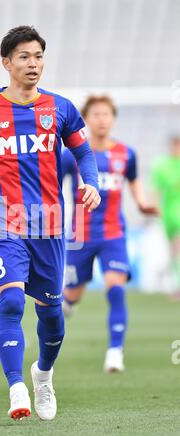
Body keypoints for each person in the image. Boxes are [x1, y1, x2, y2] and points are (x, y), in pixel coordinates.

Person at [0, 26, 100, 421]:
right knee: (10, 300)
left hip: (49, 225)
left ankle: (42, 374)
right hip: (2, 220)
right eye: (24, 57)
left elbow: (84, 152)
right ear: (6, 62)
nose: (33, 64)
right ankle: (16, 388)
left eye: (38, 56)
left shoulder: (59, 108)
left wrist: (90, 183)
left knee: (52, 316)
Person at [62, 95, 159, 372]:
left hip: (113, 234)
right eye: (96, 114)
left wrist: (142, 203)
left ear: (113, 118)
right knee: (71, 295)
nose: (102, 119)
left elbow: (134, 180)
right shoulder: (73, 155)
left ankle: (115, 351)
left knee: (115, 289)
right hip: (80, 237)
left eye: (106, 114)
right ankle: (69, 303)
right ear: (86, 120)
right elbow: (53, 186)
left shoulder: (125, 154)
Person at [150, 137, 180, 301]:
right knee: (173, 251)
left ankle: (178, 286)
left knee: (177, 245)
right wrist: (155, 209)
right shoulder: (162, 165)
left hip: (178, 213)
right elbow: (156, 189)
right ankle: (175, 283)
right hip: (168, 213)